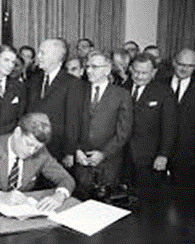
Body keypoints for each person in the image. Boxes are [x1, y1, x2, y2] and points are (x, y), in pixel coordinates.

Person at [0, 112, 75, 212]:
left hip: (19, 217)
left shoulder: (41, 153)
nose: (31, 151)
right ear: (17, 132)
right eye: (29, 144)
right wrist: (0, 196)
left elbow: (66, 179)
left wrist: (59, 196)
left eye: (37, 147)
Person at [74, 52, 133, 195]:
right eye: (87, 66)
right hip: (82, 161)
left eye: (94, 67)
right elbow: (71, 124)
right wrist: (76, 150)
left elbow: (123, 132)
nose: (88, 70)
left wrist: (103, 153)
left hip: (109, 163)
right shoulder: (78, 91)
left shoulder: (121, 94)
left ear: (107, 69)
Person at [122, 53, 177, 191]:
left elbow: (169, 127)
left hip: (149, 157)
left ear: (154, 72)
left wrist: (163, 155)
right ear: (130, 69)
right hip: (122, 155)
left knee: (147, 198)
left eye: (144, 73)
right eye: (136, 71)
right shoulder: (123, 88)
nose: (139, 76)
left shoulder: (164, 92)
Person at [26, 38, 84, 167]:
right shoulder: (34, 80)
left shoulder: (72, 83)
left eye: (42, 53)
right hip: (32, 148)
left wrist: (69, 152)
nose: (38, 57)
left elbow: (73, 119)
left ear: (56, 56)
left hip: (57, 150)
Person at [163, 48, 195, 187]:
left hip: (187, 157)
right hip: (158, 154)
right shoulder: (159, 83)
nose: (185, 69)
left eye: (190, 66)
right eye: (181, 64)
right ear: (174, 63)